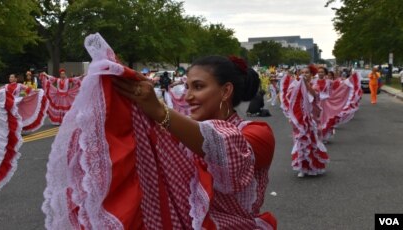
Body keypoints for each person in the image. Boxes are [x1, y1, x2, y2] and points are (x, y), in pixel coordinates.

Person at [43, 33, 277, 229]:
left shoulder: (257, 133)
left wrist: (158, 110)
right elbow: (147, 146)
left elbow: (221, 145)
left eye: (198, 87)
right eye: (187, 86)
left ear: (226, 91)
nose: (188, 96)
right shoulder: (180, 130)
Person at [280, 65, 329, 177]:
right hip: (299, 118)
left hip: (311, 118)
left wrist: (306, 85)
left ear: (311, 75)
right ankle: (302, 167)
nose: (304, 74)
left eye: (307, 72)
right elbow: (289, 98)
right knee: (300, 141)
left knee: (312, 141)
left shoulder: (314, 85)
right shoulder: (294, 85)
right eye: (302, 72)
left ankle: (314, 166)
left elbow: (316, 96)